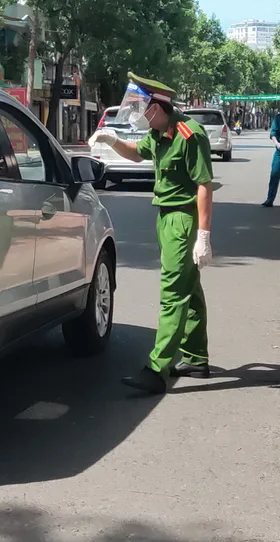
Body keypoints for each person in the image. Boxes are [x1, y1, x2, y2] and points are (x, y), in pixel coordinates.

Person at [89, 74, 214, 394]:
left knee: (173, 293)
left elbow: (203, 185)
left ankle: (157, 368)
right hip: (165, 218)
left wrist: (203, 235)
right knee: (190, 289)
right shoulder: (159, 134)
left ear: (159, 108)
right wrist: (110, 140)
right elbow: (137, 152)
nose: (140, 116)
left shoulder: (189, 135)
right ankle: (196, 358)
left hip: (183, 222)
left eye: (144, 109)